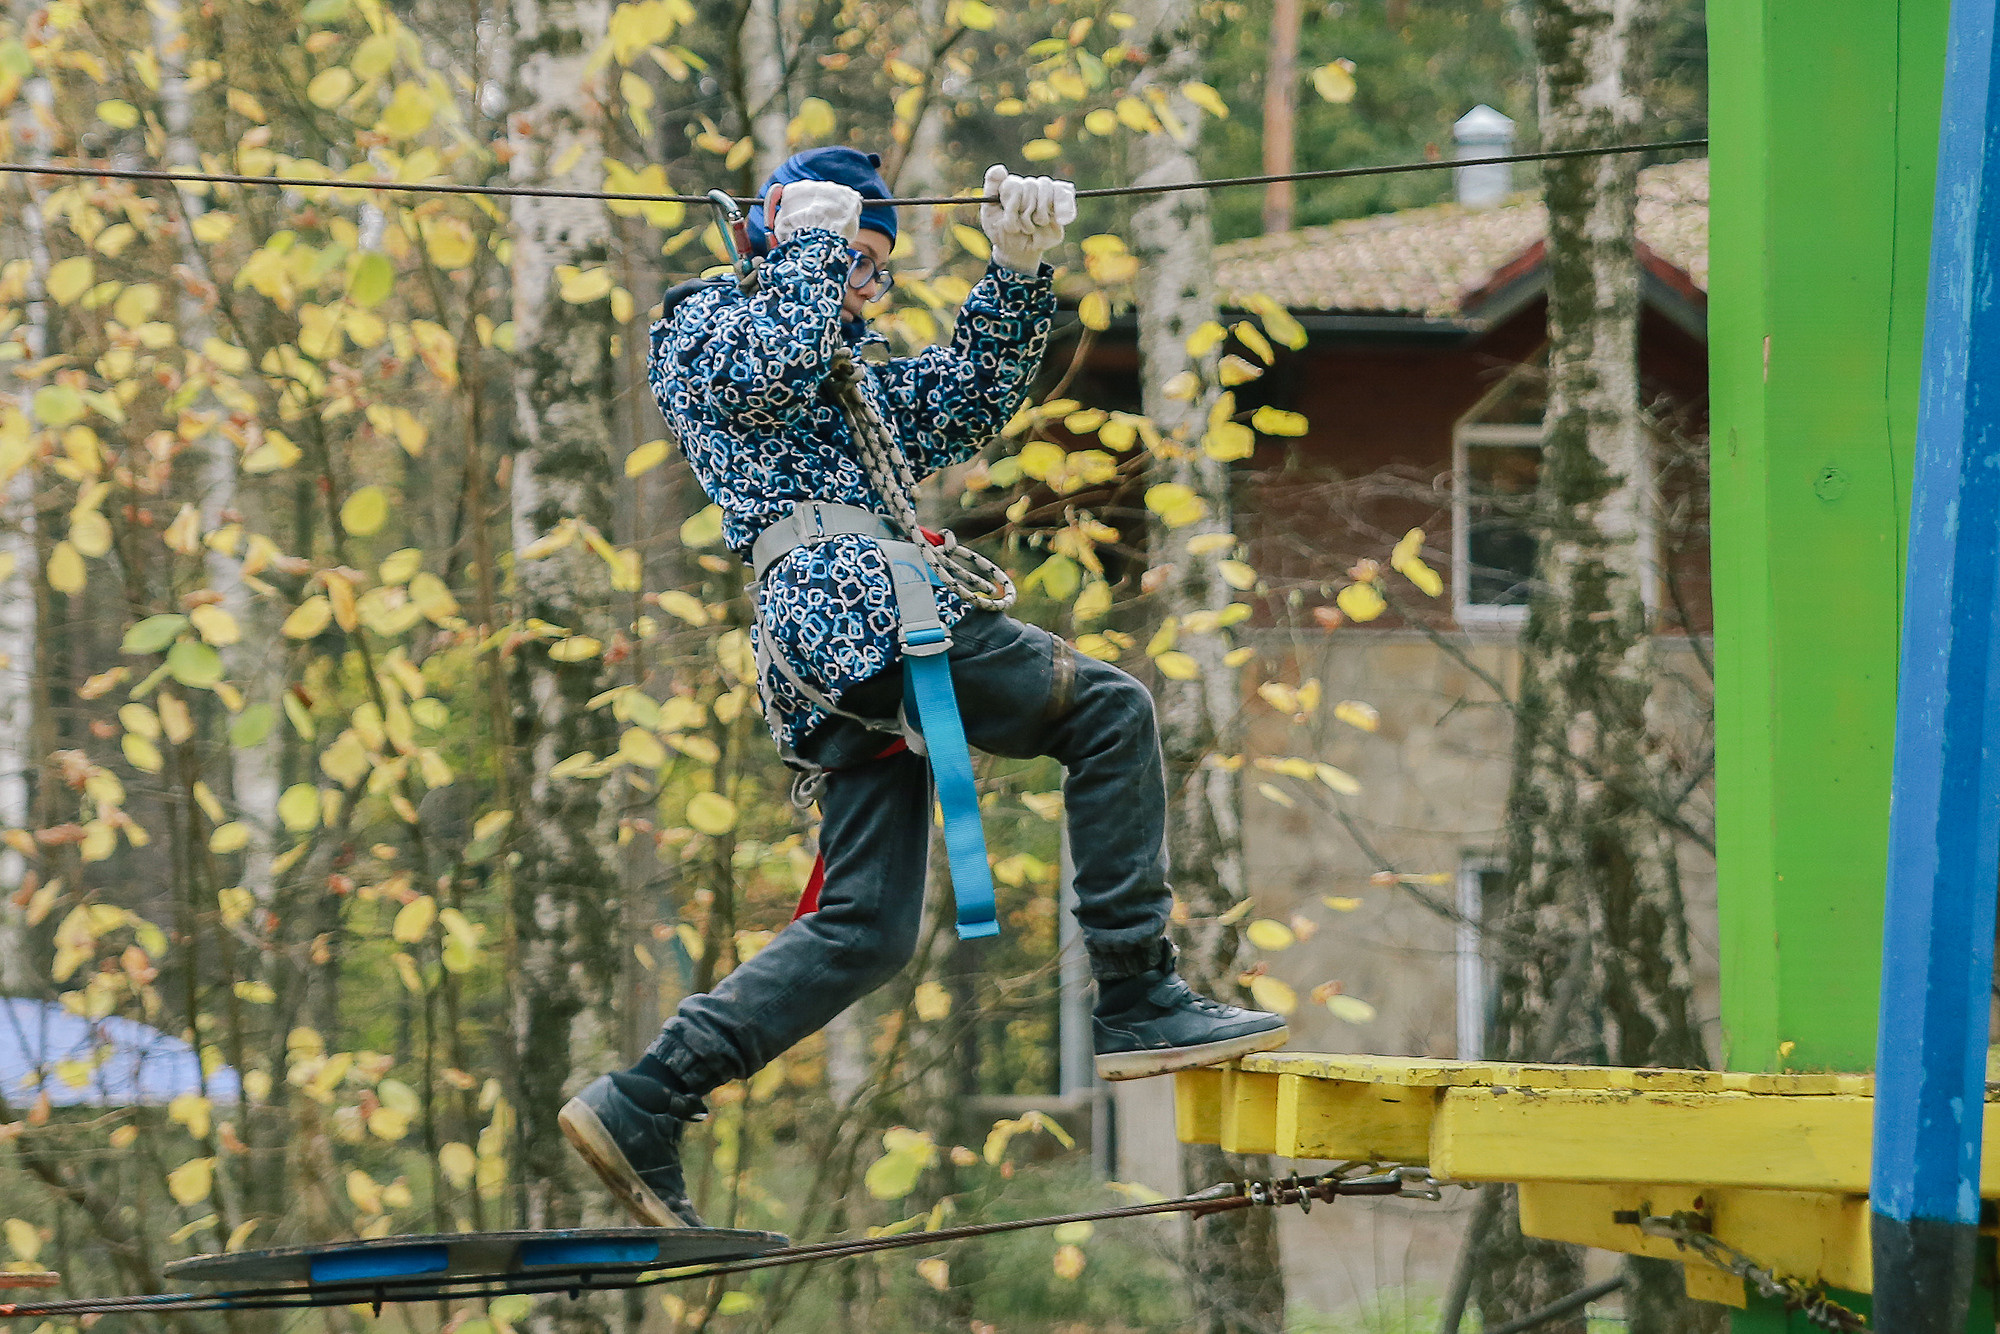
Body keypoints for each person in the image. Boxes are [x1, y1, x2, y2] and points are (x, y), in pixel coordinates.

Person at [560, 146, 1287, 1229]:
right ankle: (1136, 990)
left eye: (873, 270)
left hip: (848, 642)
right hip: (847, 612)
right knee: (1109, 708)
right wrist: (809, 243)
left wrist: (1016, 271)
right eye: (851, 260)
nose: (861, 285)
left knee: (865, 928)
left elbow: (962, 403)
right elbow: (771, 364)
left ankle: (648, 1095)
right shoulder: (703, 327)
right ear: (779, 233)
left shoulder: (852, 379)